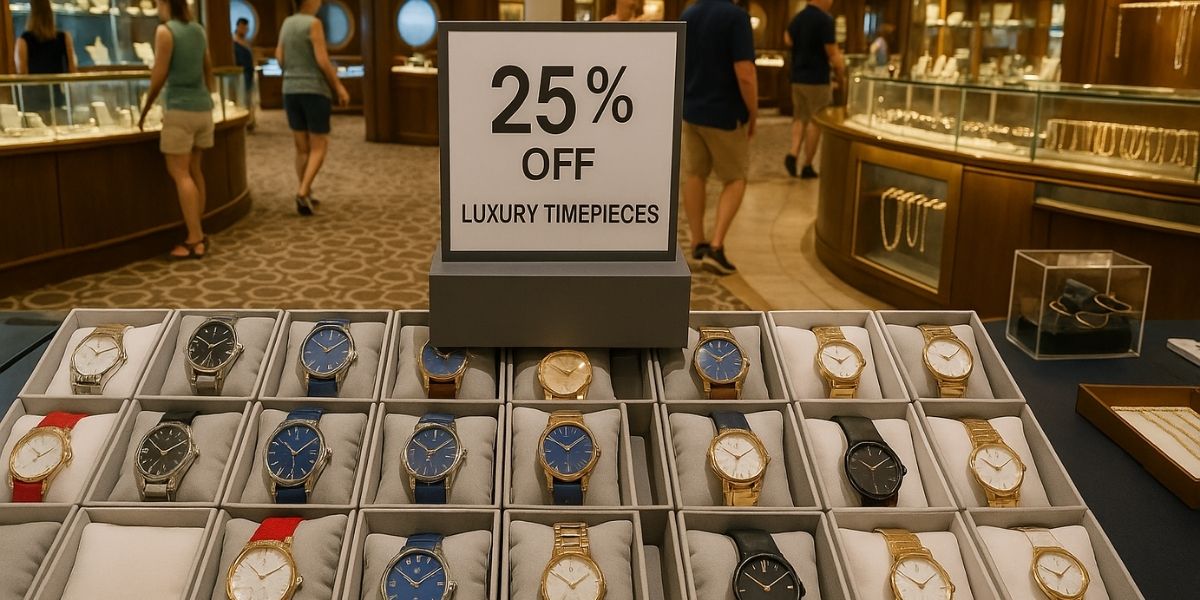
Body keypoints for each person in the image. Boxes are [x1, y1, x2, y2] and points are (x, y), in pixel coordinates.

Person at [680, 0, 757, 275]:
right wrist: (753, 111)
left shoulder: (688, 14)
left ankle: (698, 242)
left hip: (691, 110)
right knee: (735, 177)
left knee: (694, 175)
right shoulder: (736, 17)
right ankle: (716, 246)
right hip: (724, 113)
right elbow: (745, 72)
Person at [138, 0, 214, 259]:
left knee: (180, 174)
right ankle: (199, 229)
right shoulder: (198, 29)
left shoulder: (165, 31)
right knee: (195, 170)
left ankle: (195, 239)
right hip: (203, 108)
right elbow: (208, 69)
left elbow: (159, 75)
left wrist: (145, 110)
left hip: (180, 109)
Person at [277, 0, 351, 216]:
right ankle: (302, 193)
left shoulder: (287, 23)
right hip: (314, 90)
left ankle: (306, 191)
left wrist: (292, 73)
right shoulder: (313, 23)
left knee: (301, 147)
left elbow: (279, 57)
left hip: (290, 89)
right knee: (319, 144)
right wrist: (338, 87)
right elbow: (322, 60)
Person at [783, 0, 844, 179]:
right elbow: (832, 52)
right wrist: (841, 73)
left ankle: (793, 153)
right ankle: (807, 165)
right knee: (815, 121)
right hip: (817, 79)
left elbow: (787, 37)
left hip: (798, 77)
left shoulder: (799, 17)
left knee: (799, 117)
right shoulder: (825, 20)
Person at [233, 16, 256, 129]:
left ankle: (251, 121)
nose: (244, 29)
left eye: (246, 27)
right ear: (238, 27)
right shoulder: (234, 42)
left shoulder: (246, 42)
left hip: (250, 73)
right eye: (242, 27)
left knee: (250, 99)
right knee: (242, 99)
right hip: (241, 75)